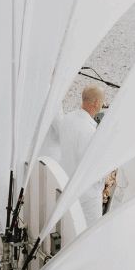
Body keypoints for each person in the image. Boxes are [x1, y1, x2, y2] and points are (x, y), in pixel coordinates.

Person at [42, 83, 105, 223]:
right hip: (88, 195)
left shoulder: (67, 119)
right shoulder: (90, 131)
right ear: (96, 103)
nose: (103, 105)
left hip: (68, 187)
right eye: (102, 101)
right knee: (91, 231)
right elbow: (94, 167)